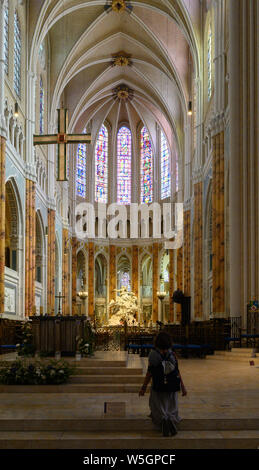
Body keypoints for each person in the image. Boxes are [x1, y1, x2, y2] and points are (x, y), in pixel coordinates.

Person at [139, 331, 187, 437]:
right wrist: (182, 387)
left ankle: (163, 421)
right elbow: (177, 372)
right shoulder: (172, 355)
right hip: (172, 386)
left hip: (158, 386)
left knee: (157, 405)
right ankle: (170, 420)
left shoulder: (153, 355)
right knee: (171, 406)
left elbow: (149, 373)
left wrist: (143, 387)